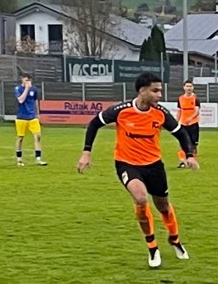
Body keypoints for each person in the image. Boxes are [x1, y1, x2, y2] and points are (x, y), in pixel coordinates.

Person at [77, 72, 199, 268]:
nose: (160, 95)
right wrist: (86, 152)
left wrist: (190, 155)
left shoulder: (160, 113)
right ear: (142, 91)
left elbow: (181, 133)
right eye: (155, 90)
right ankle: (152, 246)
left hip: (154, 165)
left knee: (163, 206)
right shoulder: (121, 110)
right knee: (141, 198)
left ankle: (174, 239)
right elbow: (94, 124)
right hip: (127, 164)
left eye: (161, 90)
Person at [14, 73, 46, 167]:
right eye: (27, 80)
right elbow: (20, 100)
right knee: (20, 138)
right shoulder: (18, 89)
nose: (29, 82)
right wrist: (27, 89)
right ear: (22, 80)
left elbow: (35, 101)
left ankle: (38, 159)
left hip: (32, 117)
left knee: (38, 136)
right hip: (21, 118)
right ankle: (19, 159)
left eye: (30, 80)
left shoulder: (34, 89)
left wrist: (38, 113)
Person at [176, 80, 201, 168]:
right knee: (182, 143)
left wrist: (191, 118)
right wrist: (176, 122)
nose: (189, 88)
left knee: (194, 144)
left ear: (193, 88)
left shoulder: (195, 98)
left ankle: (193, 161)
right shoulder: (180, 98)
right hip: (183, 124)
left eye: (190, 86)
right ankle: (182, 161)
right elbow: (179, 111)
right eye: (187, 86)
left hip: (193, 124)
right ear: (184, 88)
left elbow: (197, 111)